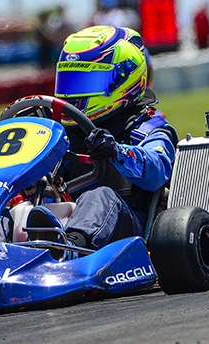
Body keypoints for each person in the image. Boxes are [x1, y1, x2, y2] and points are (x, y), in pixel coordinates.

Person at [34, 25, 178, 251]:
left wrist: (117, 152)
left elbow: (157, 170)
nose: (74, 92)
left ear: (123, 79)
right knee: (8, 206)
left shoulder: (149, 128)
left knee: (99, 196)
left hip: (127, 236)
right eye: (70, 82)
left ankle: (70, 250)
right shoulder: (62, 132)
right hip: (64, 220)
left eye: (86, 82)